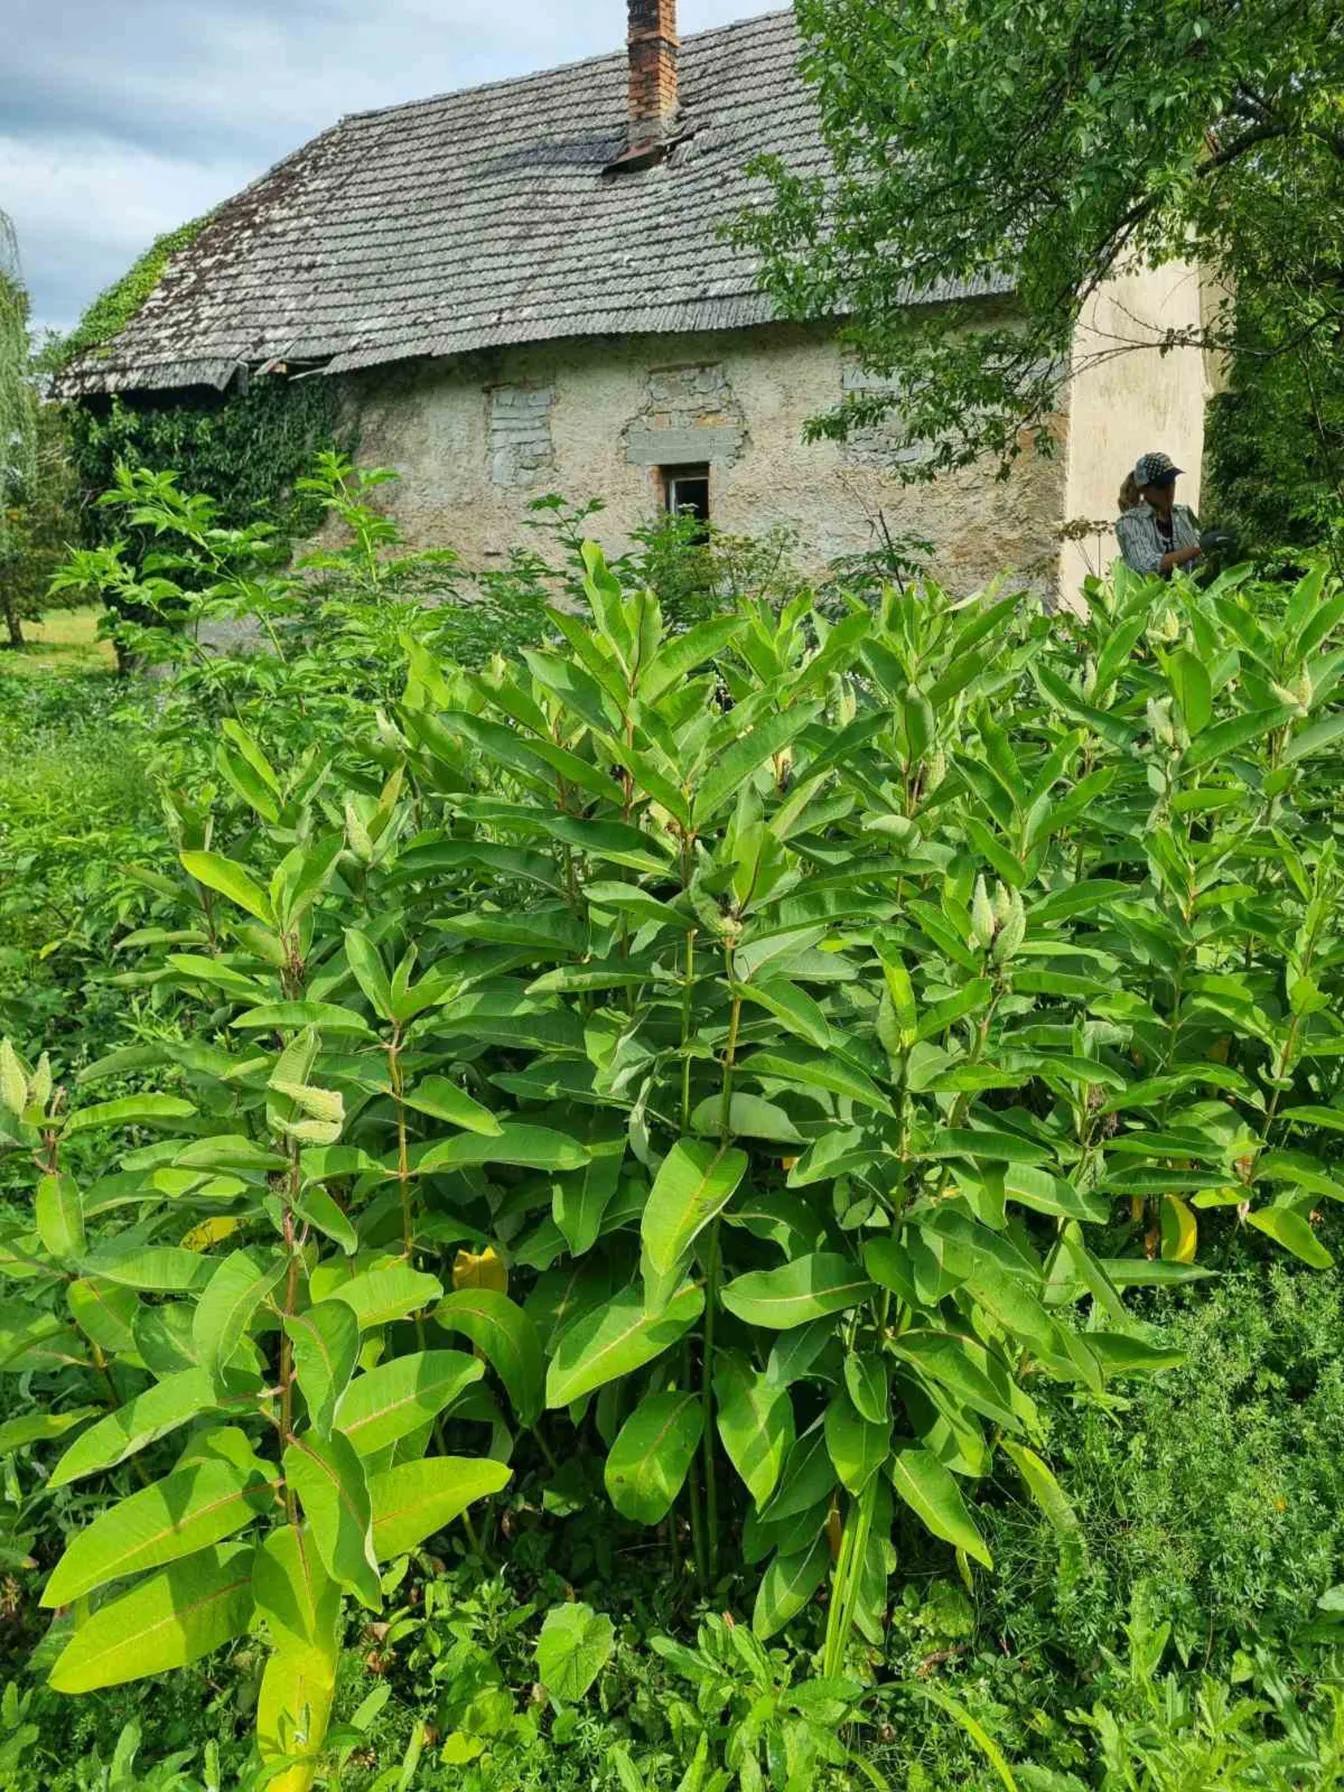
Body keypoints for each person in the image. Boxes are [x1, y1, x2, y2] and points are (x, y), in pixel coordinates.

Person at [1116, 452, 1203, 577]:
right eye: (1161, 485)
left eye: (1171, 482)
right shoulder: (1130, 522)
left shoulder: (1184, 514)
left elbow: (1198, 563)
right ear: (1144, 489)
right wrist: (1197, 549)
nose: (1169, 490)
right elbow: (1145, 566)